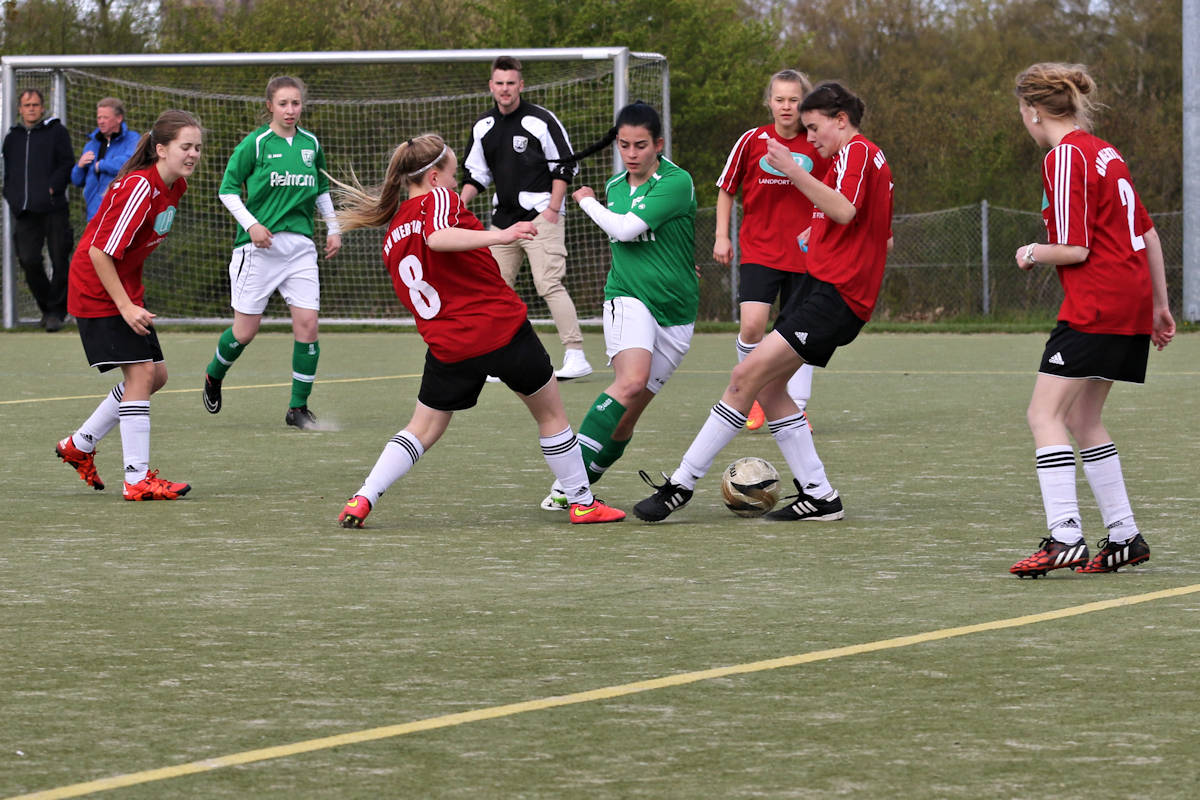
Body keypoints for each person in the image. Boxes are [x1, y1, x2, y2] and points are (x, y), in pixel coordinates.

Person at [330, 133, 625, 528]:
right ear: (434, 177)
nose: (457, 184)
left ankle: (363, 498)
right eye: (453, 175)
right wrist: (501, 234)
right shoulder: (439, 201)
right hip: (501, 330)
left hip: (449, 347)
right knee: (551, 415)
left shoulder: (392, 232)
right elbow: (437, 238)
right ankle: (582, 503)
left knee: (422, 428)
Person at [632, 82, 893, 523]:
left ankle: (681, 484)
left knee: (743, 378)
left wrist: (792, 168)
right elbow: (857, 219)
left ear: (841, 120)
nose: (810, 139)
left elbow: (846, 210)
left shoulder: (858, 152)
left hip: (835, 294)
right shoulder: (852, 157)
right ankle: (820, 495)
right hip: (824, 288)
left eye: (814, 128)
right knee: (771, 390)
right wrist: (817, 233)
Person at [1007, 63, 1175, 578]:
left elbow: (1076, 248)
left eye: (1022, 111)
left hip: (1097, 301)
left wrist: (1032, 250)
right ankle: (1124, 536)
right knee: (1082, 419)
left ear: (1034, 110)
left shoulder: (1064, 158)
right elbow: (1146, 234)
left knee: (1044, 415)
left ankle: (1065, 538)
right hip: (1129, 299)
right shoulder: (1106, 152)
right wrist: (1160, 306)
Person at [538, 102, 698, 511]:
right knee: (630, 382)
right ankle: (573, 486)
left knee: (628, 416)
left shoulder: (676, 182)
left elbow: (626, 229)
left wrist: (586, 201)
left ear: (658, 145)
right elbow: (625, 232)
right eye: (624, 145)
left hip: (676, 311)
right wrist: (596, 201)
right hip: (627, 297)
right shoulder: (614, 186)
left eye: (640, 145)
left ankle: (576, 485)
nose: (631, 153)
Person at [54, 110, 202, 501]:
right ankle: (136, 480)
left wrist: (130, 296)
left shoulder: (175, 187)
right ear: (160, 149)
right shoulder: (140, 186)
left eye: (197, 148)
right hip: (97, 289)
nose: (193, 154)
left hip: (121, 289)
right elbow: (101, 252)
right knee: (141, 376)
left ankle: (79, 444)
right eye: (185, 147)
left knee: (156, 376)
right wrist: (124, 305)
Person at [202, 75, 341, 430]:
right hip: (259, 249)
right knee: (245, 332)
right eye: (283, 104)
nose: (290, 110)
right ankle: (214, 374)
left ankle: (298, 408)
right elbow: (228, 190)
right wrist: (252, 225)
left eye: (296, 103)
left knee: (308, 325)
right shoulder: (256, 144)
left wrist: (334, 227)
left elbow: (321, 188)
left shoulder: (311, 144)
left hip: (300, 249)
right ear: (270, 107)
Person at [458, 55, 593, 381]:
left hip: (539, 218)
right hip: (502, 223)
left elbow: (565, 165)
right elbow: (476, 175)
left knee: (548, 283)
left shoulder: (541, 120)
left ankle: (576, 355)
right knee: (494, 290)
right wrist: (456, 207)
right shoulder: (483, 126)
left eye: (511, 83)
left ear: (521, 85)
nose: (505, 89)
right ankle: (499, 359)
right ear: (491, 86)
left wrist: (553, 209)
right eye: (499, 83)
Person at [715, 69, 832, 430]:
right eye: (779, 99)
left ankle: (795, 405)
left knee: (798, 333)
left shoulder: (818, 145)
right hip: (759, 251)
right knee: (752, 326)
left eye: (794, 100)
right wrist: (722, 236)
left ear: (805, 103)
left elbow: (834, 196)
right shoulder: (751, 140)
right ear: (768, 102)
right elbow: (726, 189)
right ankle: (752, 394)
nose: (786, 106)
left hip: (805, 257)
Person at [2, 88, 75, 331]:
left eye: (35, 104)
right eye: (26, 105)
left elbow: (67, 163)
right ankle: (48, 308)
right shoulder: (12, 138)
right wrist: (11, 196)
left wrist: (52, 188)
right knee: (29, 260)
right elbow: (9, 172)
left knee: (59, 259)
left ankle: (56, 313)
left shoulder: (56, 132)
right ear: (20, 109)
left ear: (42, 107)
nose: (31, 108)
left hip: (54, 210)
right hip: (25, 212)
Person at [70, 97, 139, 221]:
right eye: (99, 117)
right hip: (93, 214)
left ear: (119, 118)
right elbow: (77, 181)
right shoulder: (91, 144)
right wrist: (79, 166)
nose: (101, 121)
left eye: (105, 118)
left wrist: (100, 165)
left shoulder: (132, 139)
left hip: (121, 213)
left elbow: (130, 164)